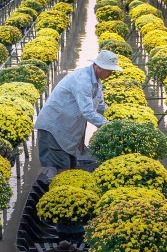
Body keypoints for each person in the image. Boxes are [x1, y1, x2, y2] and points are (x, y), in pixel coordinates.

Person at [34, 50, 120, 180]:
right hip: (54, 129)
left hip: (66, 129)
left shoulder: (97, 81)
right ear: (98, 66)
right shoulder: (83, 80)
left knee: (70, 169)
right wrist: (108, 126)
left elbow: (101, 106)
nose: (111, 73)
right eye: (109, 70)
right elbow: (87, 112)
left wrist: (116, 119)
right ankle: (58, 196)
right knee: (60, 171)